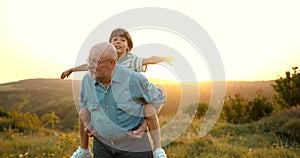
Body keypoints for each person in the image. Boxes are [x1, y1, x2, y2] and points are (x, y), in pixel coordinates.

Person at [67, 28, 172, 158]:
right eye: (89, 61)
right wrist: (90, 124)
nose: (89, 66)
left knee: (148, 109)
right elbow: (85, 108)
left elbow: (158, 97)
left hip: (133, 145)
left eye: (95, 62)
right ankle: (84, 150)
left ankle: (158, 150)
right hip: (102, 146)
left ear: (112, 63)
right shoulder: (87, 80)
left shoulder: (134, 77)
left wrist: (144, 124)